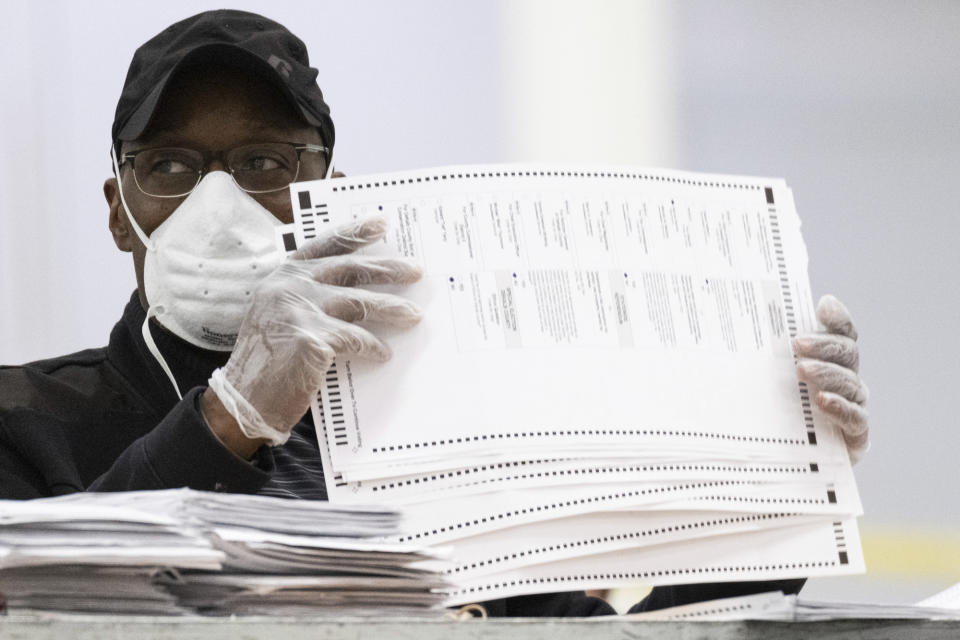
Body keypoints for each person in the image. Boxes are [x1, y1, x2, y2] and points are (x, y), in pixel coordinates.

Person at [0, 9, 869, 616]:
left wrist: (779, 487)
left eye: (266, 161)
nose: (218, 206)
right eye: (172, 167)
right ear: (120, 209)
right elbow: (43, 608)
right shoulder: (27, 425)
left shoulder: (440, 432)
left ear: (328, 197)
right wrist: (231, 416)